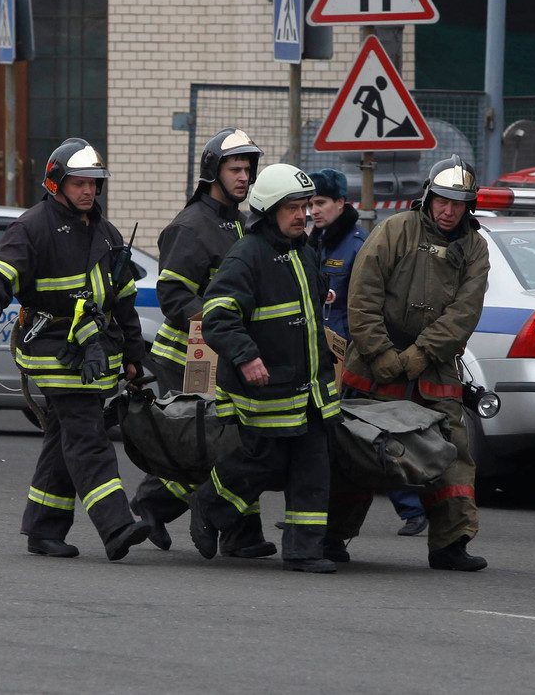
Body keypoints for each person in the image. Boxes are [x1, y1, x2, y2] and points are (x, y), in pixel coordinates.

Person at [0, 137, 152, 562]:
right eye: (79, 183)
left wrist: (134, 359)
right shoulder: (31, 227)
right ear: (56, 184)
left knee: (62, 438)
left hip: (93, 350)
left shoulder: (106, 234)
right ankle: (118, 526)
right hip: (51, 349)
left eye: (94, 183)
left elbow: (122, 303)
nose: (88, 191)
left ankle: (44, 530)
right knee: (87, 436)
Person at [325, 154, 491, 572]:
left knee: (451, 453)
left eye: (459, 203)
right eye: (443, 200)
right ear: (428, 197)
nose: (450, 210)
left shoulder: (475, 247)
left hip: (433, 368)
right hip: (372, 363)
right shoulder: (394, 230)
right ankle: (330, 536)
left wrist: (418, 356)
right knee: (357, 452)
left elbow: (464, 313)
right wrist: (381, 353)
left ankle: (450, 544)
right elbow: (362, 297)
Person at [128, 128, 276, 559]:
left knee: (231, 439)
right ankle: (163, 506)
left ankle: (235, 532)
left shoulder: (241, 222)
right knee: (213, 444)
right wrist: (223, 324)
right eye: (235, 169)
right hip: (189, 356)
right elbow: (174, 297)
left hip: (226, 352)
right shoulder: (190, 226)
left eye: (248, 169)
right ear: (214, 170)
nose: (244, 177)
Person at [188, 163, 341, 573]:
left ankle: (304, 550)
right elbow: (217, 316)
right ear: (269, 210)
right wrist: (246, 355)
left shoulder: (305, 253)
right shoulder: (247, 255)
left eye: (305, 206)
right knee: (263, 462)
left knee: (313, 466)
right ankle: (208, 504)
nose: (301, 215)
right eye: (291, 207)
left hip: (308, 388)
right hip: (268, 388)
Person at [308, 167, 427, 537]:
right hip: (320, 356)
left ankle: (413, 509)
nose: (314, 210)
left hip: (353, 361)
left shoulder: (358, 245)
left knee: (365, 437)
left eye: (322, 203)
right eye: (310, 203)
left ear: (342, 203)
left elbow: (369, 306)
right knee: (321, 439)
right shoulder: (317, 242)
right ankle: (311, 509)